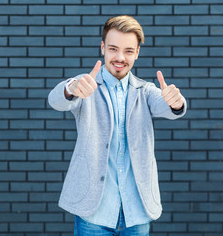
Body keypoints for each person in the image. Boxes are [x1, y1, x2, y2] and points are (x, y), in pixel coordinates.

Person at [48, 15, 187, 236]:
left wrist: (176, 102)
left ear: (137, 53)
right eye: (113, 49)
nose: (120, 57)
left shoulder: (146, 91)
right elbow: (55, 100)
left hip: (137, 212)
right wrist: (71, 88)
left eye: (129, 51)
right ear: (102, 48)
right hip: (93, 211)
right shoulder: (86, 86)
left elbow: (169, 107)